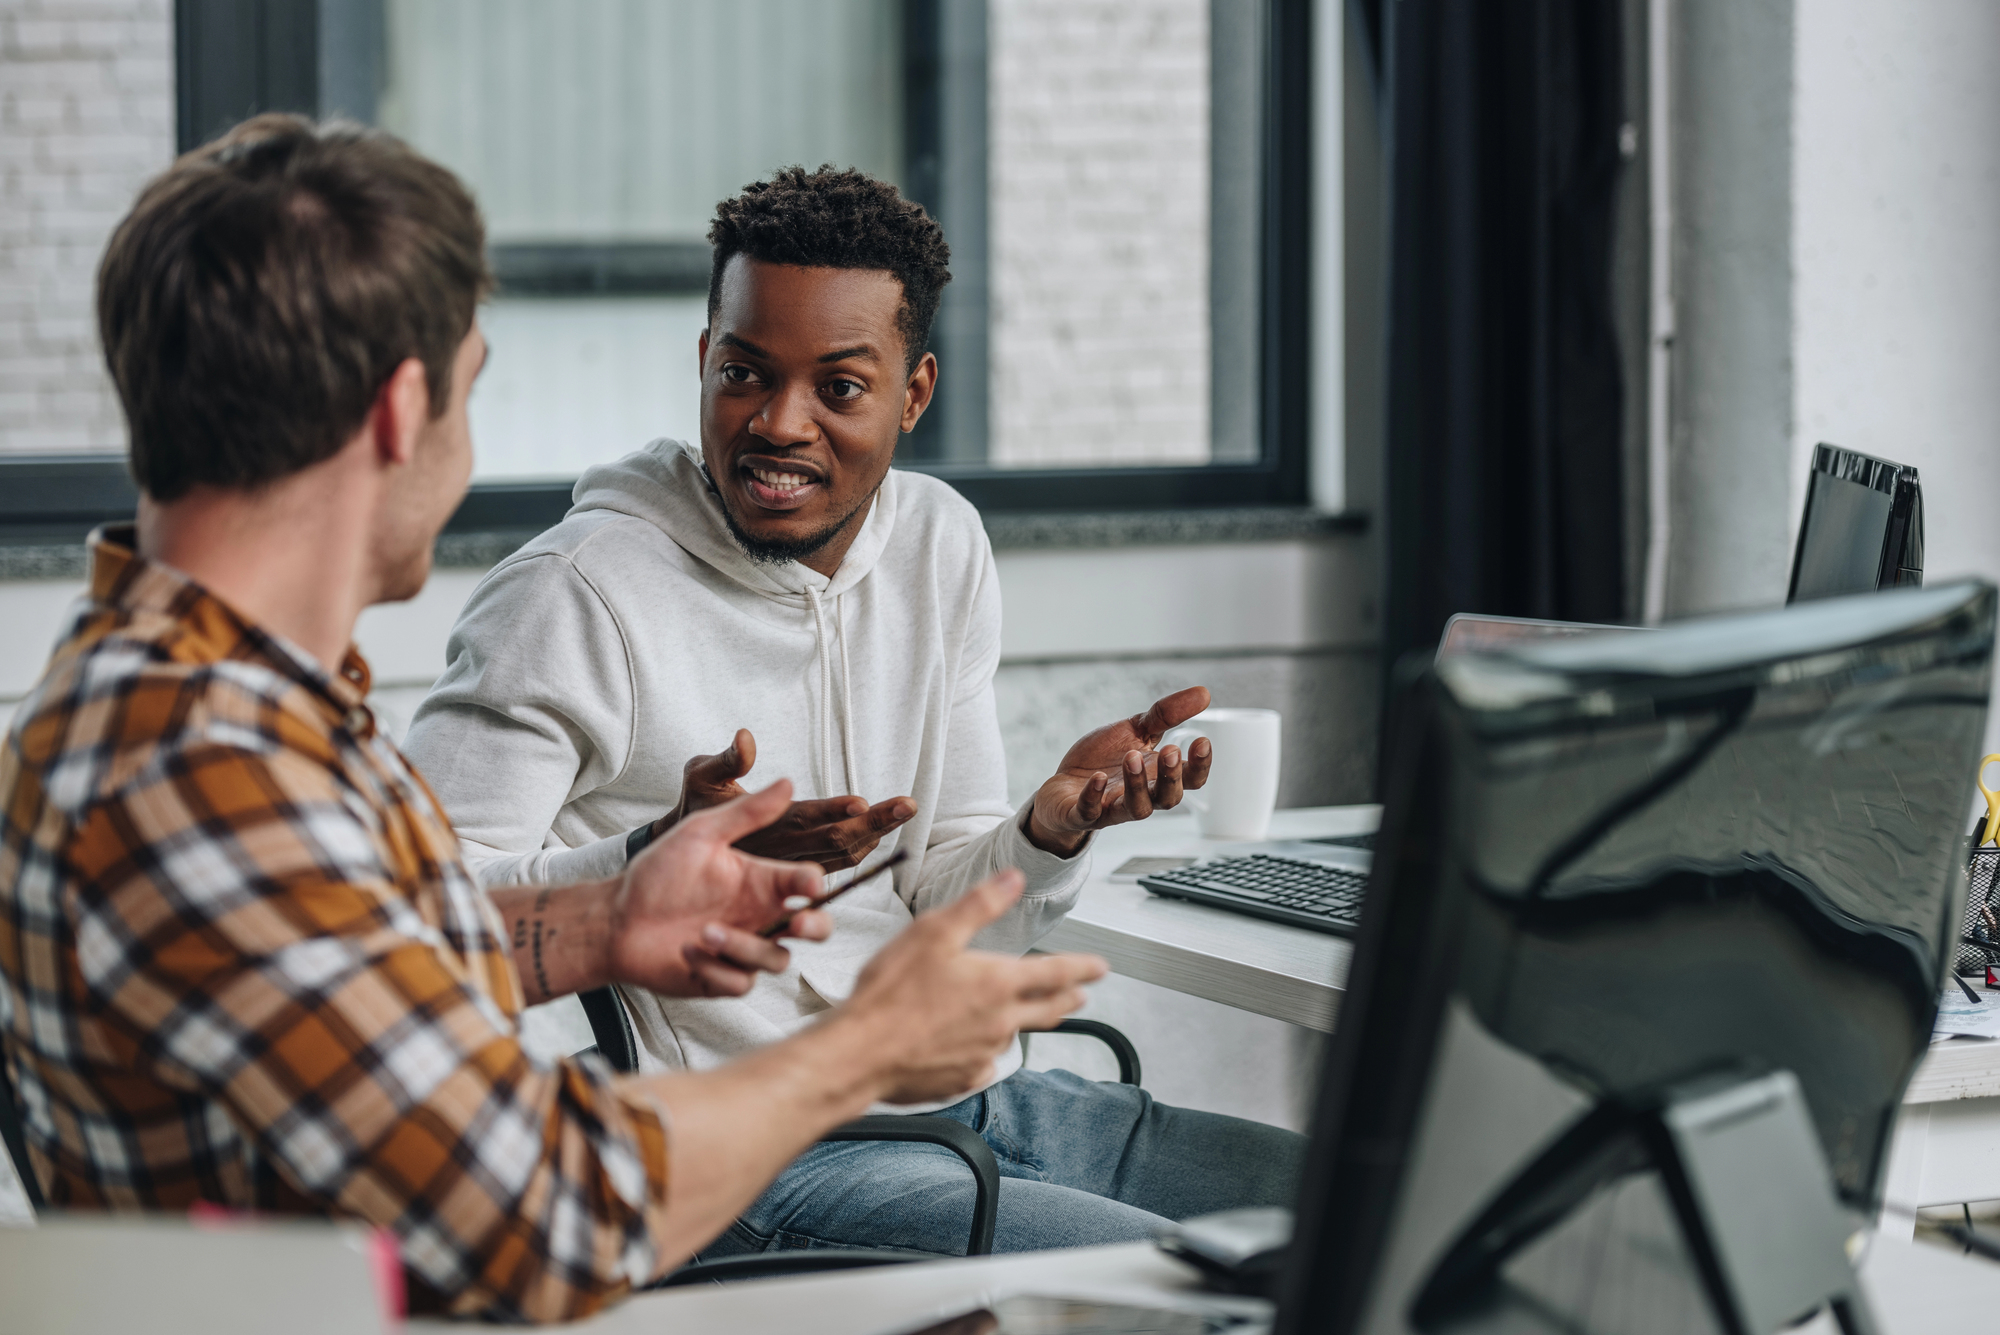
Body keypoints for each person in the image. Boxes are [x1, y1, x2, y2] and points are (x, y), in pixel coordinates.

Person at [0, 116, 1108, 1323]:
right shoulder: (208, 777)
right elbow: (544, 1219)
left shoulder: (173, 699)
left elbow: (345, 969)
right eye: (470, 392)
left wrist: (604, 917)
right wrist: (862, 1049)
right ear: (398, 410)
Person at [402, 165, 1308, 1258]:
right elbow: (415, 923)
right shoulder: (573, 594)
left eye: (838, 387)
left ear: (912, 393)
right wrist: (643, 865)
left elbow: (947, 915)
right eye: (744, 373)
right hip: (763, 1158)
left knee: (1387, 1210)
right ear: (703, 362)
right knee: (1194, 1295)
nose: (778, 424)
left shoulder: (939, 546)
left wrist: (1047, 830)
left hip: (980, 1103)